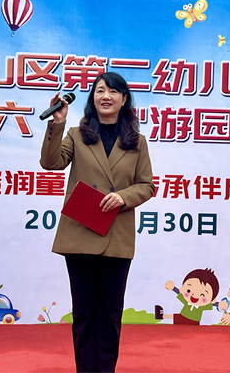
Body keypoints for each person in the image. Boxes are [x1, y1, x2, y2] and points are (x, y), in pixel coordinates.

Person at [40, 72, 155, 373]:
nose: (106, 96)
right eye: (100, 90)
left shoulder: (137, 142)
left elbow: (147, 185)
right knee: (84, 314)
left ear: (124, 99)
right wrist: (57, 122)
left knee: (110, 315)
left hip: (116, 237)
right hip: (80, 235)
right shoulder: (76, 134)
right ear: (92, 98)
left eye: (114, 91)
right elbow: (51, 163)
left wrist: (123, 197)